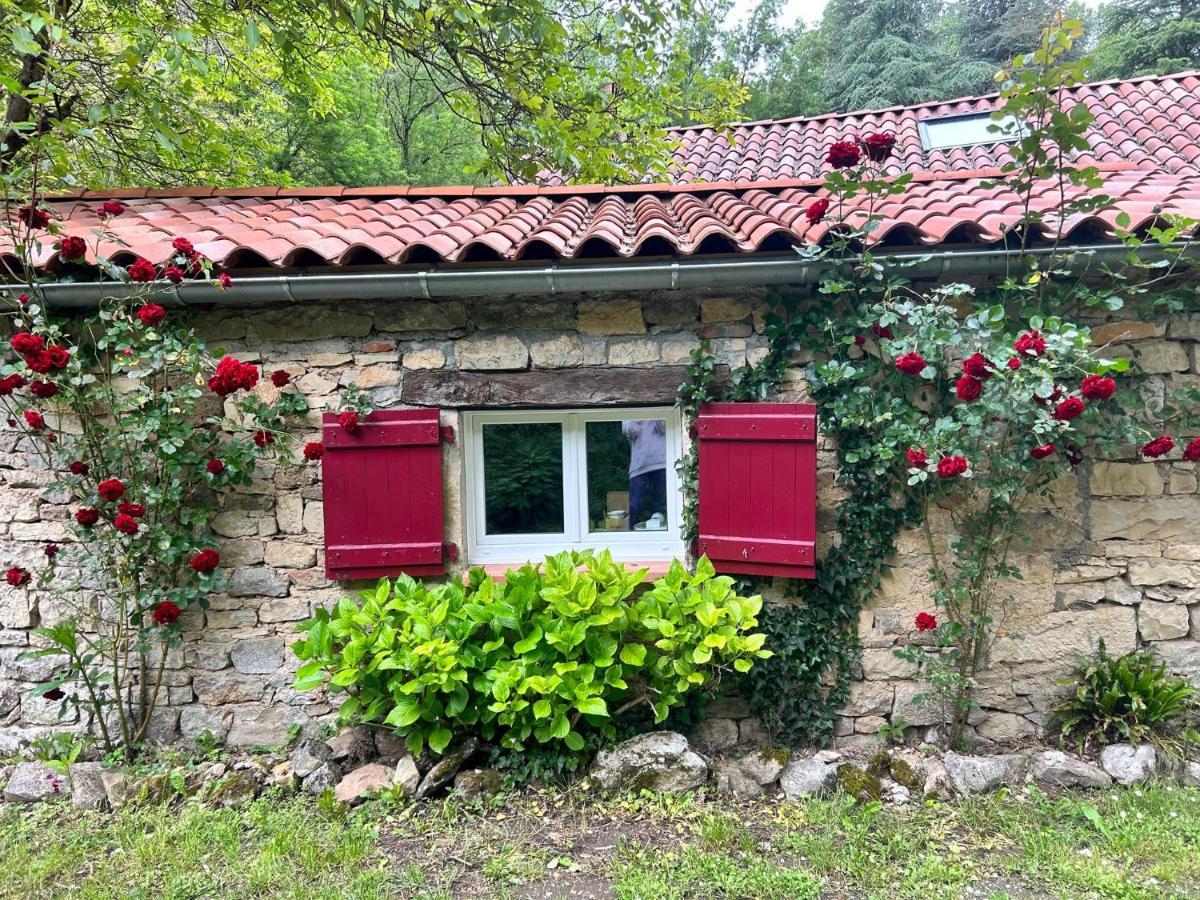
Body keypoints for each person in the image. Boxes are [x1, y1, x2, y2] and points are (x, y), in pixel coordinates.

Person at [622, 419, 667, 528]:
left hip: (661, 462)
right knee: (634, 506)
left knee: (659, 508)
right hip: (639, 465)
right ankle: (631, 537)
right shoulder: (629, 408)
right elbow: (629, 431)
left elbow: (665, 427)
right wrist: (639, 415)